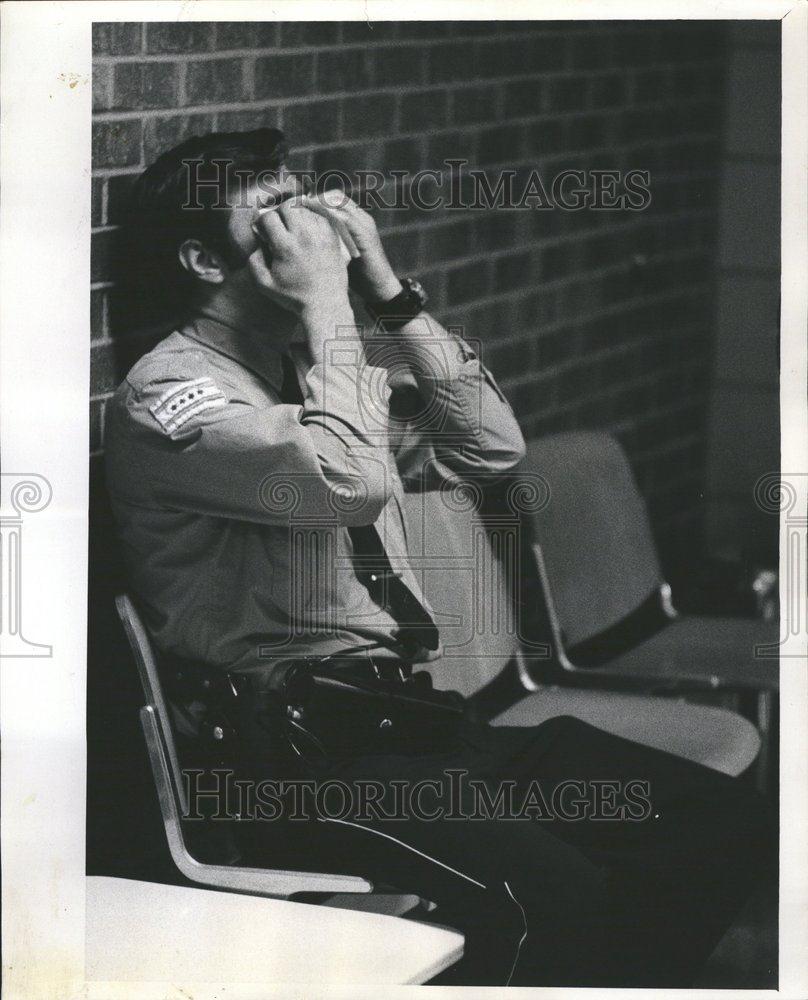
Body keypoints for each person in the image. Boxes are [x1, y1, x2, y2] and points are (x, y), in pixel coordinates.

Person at [105, 128, 769, 987]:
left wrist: (382, 289)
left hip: (415, 726)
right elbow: (348, 483)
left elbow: (491, 448)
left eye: (305, 204)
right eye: (273, 215)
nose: (308, 230)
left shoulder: (320, 368)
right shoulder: (171, 396)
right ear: (202, 258)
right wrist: (328, 310)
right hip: (296, 761)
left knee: (720, 825)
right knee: (548, 897)